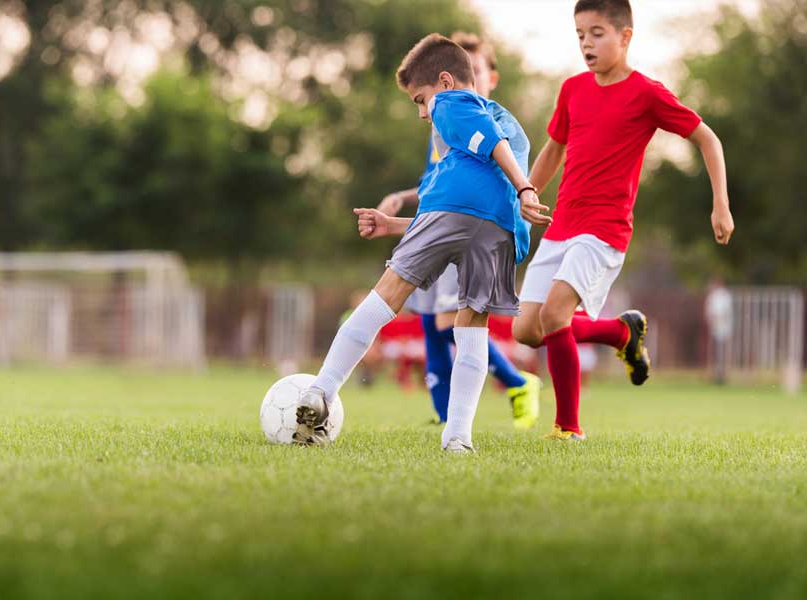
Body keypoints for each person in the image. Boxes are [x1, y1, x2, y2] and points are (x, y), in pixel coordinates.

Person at [294, 33, 540, 452]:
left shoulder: (454, 101)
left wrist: (526, 188)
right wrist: (394, 225)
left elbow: (466, 184)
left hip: (467, 206)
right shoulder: (510, 124)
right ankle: (458, 438)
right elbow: (471, 206)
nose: (423, 113)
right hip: (500, 228)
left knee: (385, 296)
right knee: (472, 329)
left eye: (420, 99)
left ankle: (321, 389)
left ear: (444, 82)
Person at [513, 0, 735, 440]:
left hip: (604, 229)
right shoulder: (573, 89)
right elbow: (554, 148)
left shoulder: (647, 93)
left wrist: (721, 204)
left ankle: (568, 429)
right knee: (527, 330)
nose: (586, 44)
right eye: (579, 35)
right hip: (563, 226)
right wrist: (527, 191)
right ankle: (620, 332)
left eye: (597, 33)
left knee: (557, 314)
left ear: (625, 36)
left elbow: (707, 139)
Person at [377, 32, 540, 428]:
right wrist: (402, 197)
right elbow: (440, 182)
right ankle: (444, 413)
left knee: (452, 321)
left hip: (472, 228)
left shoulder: (494, 123)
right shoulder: (444, 123)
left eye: (478, 69)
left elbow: (490, 176)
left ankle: (516, 383)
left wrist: (525, 190)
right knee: (432, 319)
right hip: (443, 219)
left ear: (488, 77)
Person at [704, 278, 733, 385]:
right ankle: (714, 375)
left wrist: (719, 321)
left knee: (723, 353)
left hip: (724, 328)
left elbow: (726, 312)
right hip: (714, 328)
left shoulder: (725, 295)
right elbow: (709, 312)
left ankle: (723, 375)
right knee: (714, 353)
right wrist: (712, 322)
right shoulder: (712, 296)